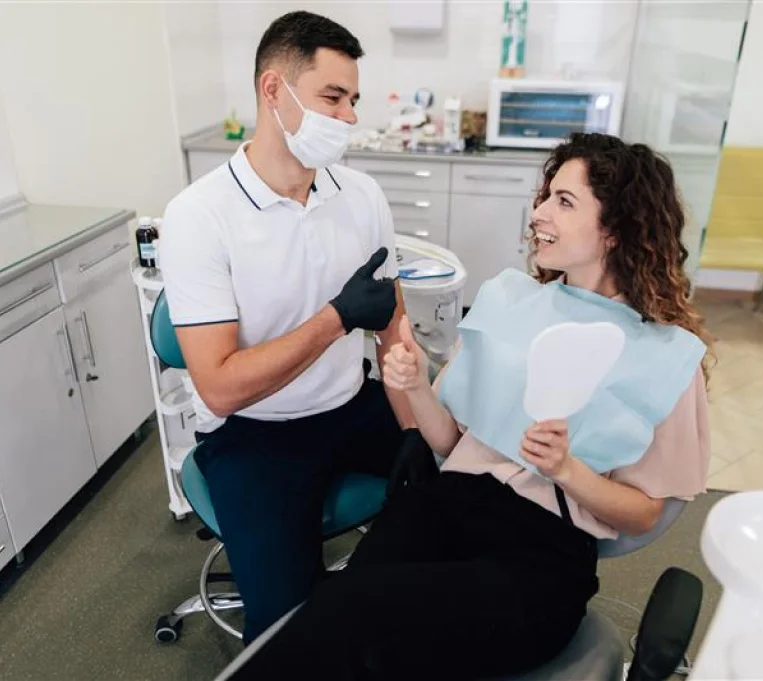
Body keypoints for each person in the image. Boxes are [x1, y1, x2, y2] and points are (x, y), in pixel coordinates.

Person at [228, 133, 715, 680]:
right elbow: (451, 442)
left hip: (539, 553)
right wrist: (413, 386)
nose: (539, 213)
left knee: (352, 613)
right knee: (350, 629)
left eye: (564, 201)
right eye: (545, 195)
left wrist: (566, 469)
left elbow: (644, 513)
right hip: (443, 507)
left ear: (616, 228)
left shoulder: (665, 357)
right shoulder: (512, 303)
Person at [158, 11, 415, 644]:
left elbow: (393, 329)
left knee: (464, 497)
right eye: (333, 97)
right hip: (254, 434)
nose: (350, 117)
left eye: (352, 99)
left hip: (351, 405)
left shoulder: (361, 196)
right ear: (274, 90)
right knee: (287, 643)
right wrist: (335, 320)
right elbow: (218, 387)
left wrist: (418, 419)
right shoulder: (199, 216)